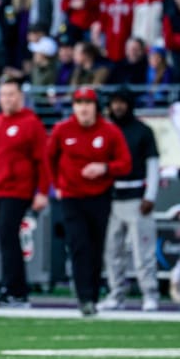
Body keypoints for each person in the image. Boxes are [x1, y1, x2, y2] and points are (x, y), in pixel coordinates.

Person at [46, 86, 131, 316]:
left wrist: (104, 167)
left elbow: (125, 163)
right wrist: (57, 186)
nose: (83, 108)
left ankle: (92, 294)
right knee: (78, 245)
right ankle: (84, 297)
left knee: (96, 246)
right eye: (79, 103)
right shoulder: (62, 129)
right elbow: (49, 157)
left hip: (99, 196)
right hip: (72, 196)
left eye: (88, 103)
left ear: (95, 107)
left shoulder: (109, 131)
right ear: (73, 106)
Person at [0, 78, 49, 307]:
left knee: (9, 239)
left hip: (17, 190)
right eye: (3, 94)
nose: (7, 99)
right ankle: (13, 287)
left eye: (11, 94)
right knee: (4, 240)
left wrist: (42, 191)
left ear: (21, 96)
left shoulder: (31, 123)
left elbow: (43, 160)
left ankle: (14, 289)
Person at [99, 89, 160, 312]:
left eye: (122, 103)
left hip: (136, 196)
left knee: (143, 249)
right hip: (112, 196)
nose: (118, 107)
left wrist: (150, 196)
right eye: (114, 102)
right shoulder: (106, 131)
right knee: (112, 250)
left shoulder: (143, 131)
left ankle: (149, 293)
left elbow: (153, 164)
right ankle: (116, 294)